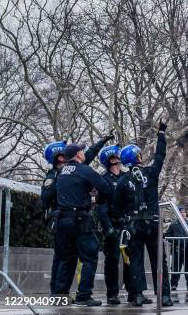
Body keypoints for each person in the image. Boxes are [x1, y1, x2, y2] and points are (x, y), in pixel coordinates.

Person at [41, 134, 113, 297]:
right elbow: (106, 188)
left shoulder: (63, 172)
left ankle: (60, 294)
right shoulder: (65, 173)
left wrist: (101, 142)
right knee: (82, 256)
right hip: (75, 219)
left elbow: (88, 155)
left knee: (66, 258)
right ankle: (76, 294)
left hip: (64, 221)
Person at [114, 120, 173, 307]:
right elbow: (160, 156)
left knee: (136, 260)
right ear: (136, 158)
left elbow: (117, 206)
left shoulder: (123, 181)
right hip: (153, 223)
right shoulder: (151, 173)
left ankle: (138, 294)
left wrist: (125, 218)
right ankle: (164, 296)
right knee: (159, 261)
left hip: (133, 225)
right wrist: (161, 135)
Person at [95, 145, 132, 305]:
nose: (118, 160)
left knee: (131, 260)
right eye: (115, 158)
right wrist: (107, 226)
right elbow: (101, 206)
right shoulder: (104, 180)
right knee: (112, 261)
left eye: (118, 158)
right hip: (112, 223)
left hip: (127, 224)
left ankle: (134, 291)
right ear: (110, 160)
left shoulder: (126, 177)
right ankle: (112, 294)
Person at [166, 206, 188, 291]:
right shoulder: (173, 225)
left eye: (184, 212)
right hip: (177, 249)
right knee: (175, 267)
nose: (183, 213)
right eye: (181, 212)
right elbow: (167, 236)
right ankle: (173, 285)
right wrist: (175, 240)